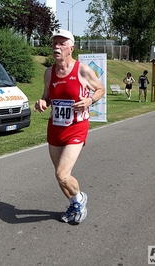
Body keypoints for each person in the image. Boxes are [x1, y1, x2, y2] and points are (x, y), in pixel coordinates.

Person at [34, 29, 105, 224]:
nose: (56, 47)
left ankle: (80, 199)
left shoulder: (82, 70)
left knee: (62, 174)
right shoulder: (49, 72)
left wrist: (90, 100)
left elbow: (100, 89)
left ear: (71, 48)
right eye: (54, 43)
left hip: (77, 126)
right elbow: (46, 97)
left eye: (62, 43)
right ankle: (75, 203)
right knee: (61, 177)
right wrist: (42, 102)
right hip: (55, 127)